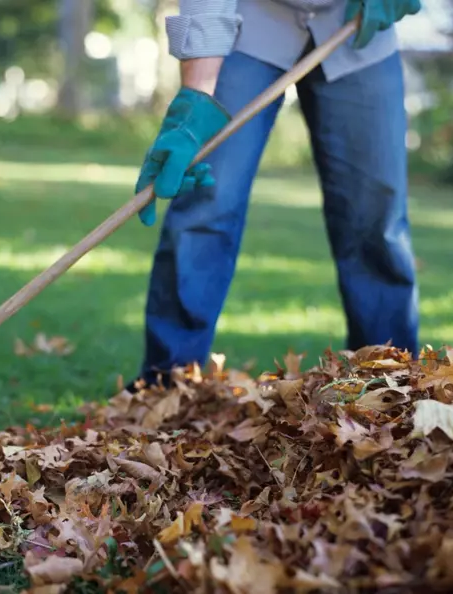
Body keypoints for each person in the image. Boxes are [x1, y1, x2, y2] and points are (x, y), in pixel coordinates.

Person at [127, 0, 422, 391]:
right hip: (252, 22)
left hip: (357, 20)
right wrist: (197, 98)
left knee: (376, 213)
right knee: (207, 199)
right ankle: (167, 384)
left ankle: (390, 386)